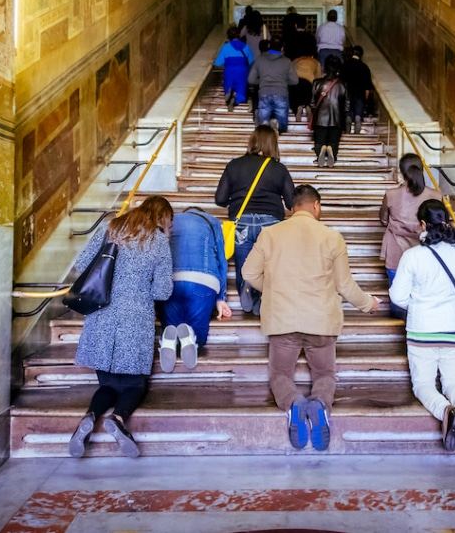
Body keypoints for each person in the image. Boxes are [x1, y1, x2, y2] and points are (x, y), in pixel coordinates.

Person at [242, 185, 379, 451]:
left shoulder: (270, 234)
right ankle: (319, 404)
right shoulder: (332, 237)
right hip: (321, 320)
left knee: (280, 374)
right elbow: (344, 284)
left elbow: (249, 273)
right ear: (316, 206)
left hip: (283, 320)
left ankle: (293, 402)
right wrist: (368, 303)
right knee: (325, 373)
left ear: (292, 208)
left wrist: (273, 289)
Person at [68, 196, 175, 458]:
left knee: (106, 384)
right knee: (135, 385)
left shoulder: (111, 227)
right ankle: (117, 419)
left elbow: (82, 265)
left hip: (101, 313)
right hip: (135, 317)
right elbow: (162, 291)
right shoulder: (158, 241)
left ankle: (90, 417)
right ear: (162, 218)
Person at [388, 199, 455, 451]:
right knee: (454, 382)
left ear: (422, 224)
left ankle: (446, 412)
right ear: (448, 221)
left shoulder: (412, 256)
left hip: (422, 331)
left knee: (423, 385)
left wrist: (420, 305)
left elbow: (397, 297)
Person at [215, 125, 295, 315]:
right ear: (273, 144)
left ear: (252, 141)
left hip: (241, 221)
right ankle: (263, 296)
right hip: (271, 224)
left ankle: (247, 287)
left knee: (244, 262)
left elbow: (220, 199)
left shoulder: (234, 165)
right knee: (269, 262)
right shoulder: (278, 169)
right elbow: (292, 202)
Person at [158, 207, 232, 373]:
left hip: (171, 280)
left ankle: (169, 340)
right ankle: (193, 338)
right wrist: (221, 298)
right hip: (204, 281)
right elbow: (222, 259)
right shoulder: (212, 221)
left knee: (172, 322)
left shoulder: (170, 219)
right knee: (198, 335)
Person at [380, 154, 443, 291]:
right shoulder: (436, 196)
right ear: (421, 170)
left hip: (396, 252)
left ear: (402, 172)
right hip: (426, 252)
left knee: (397, 294)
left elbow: (383, 220)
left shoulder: (391, 194)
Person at [248, 37, 298, 132]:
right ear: (282, 48)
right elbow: (295, 81)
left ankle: (266, 125)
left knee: (263, 127)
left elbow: (251, 79)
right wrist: (282, 81)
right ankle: (277, 126)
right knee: (282, 126)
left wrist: (263, 81)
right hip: (281, 93)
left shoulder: (259, 60)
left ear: (269, 46)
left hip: (264, 93)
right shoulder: (287, 61)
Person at [310, 55, 347, 167]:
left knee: (319, 141)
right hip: (337, 119)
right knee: (334, 141)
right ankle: (332, 152)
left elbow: (312, 103)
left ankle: (320, 151)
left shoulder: (317, 82)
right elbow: (347, 105)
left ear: (325, 68)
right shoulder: (343, 84)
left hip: (320, 119)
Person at [213, 25, 254, 111]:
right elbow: (251, 61)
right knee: (241, 91)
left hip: (229, 71)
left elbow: (218, 63)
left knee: (228, 86)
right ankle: (236, 100)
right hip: (242, 71)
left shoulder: (226, 47)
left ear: (228, 36)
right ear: (239, 35)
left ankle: (229, 97)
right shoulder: (245, 47)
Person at [341, 45, 373, 134]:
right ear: (361, 55)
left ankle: (348, 118)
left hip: (347, 93)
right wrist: (365, 99)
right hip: (360, 94)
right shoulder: (365, 67)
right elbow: (367, 87)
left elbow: (341, 82)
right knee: (358, 113)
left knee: (348, 111)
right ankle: (358, 118)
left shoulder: (345, 65)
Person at [290, 53, 321, 122]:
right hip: (309, 82)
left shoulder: (296, 61)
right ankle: (308, 107)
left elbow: (290, 73)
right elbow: (318, 77)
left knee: (295, 98)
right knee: (309, 96)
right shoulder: (315, 62)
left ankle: (298, 108)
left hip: (297, 82)